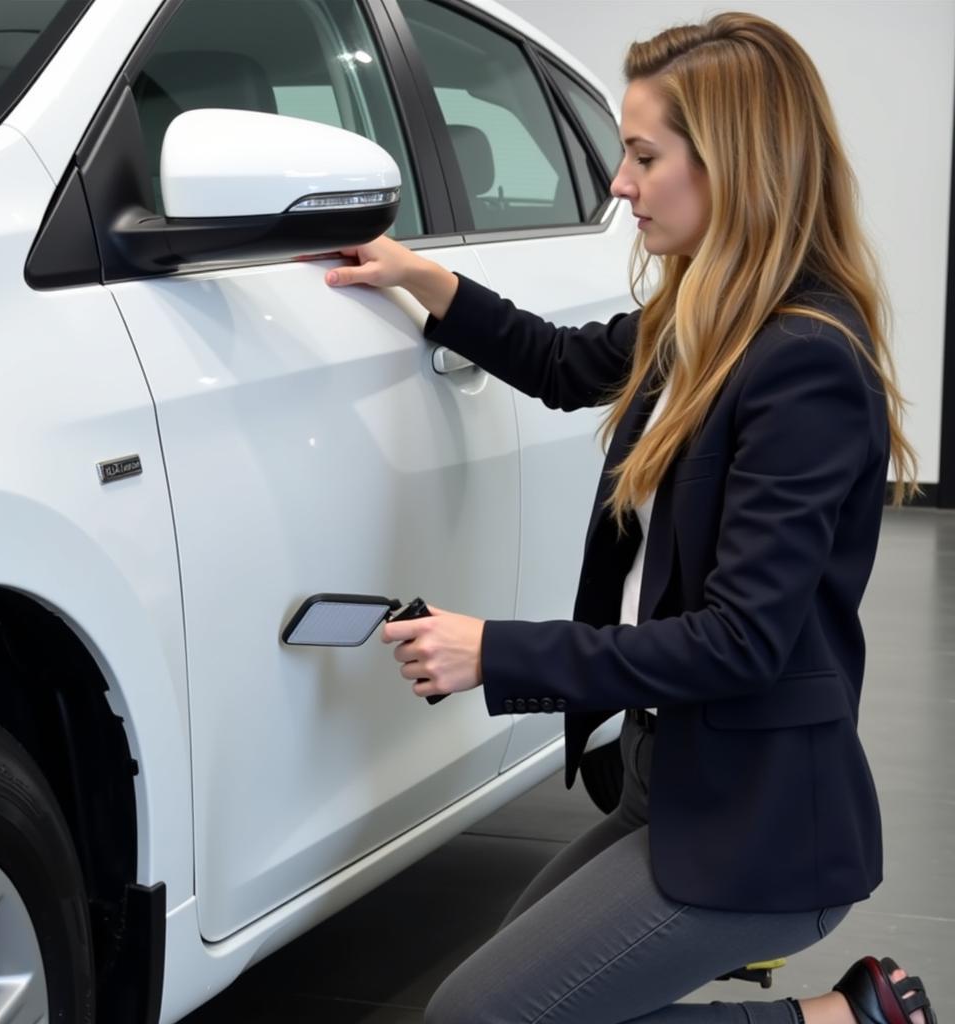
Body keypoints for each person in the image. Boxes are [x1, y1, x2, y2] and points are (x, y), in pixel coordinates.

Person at [326, 12, 936, 1024]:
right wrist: (417, 278)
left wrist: (495, 650)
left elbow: (741, 641)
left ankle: (839, 1019)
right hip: (683, 778)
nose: (617, 182)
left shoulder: (803, 363)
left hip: (767, 820)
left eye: (643, 155)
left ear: (734, 166)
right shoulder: (705, 320)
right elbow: (566, 364)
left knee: (476, 1019)